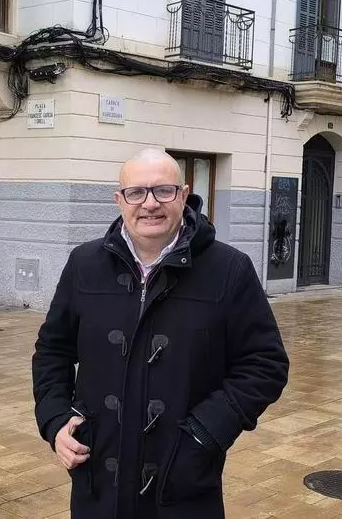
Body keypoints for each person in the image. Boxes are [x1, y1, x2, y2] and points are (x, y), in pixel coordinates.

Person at [31, 148, 289, 519]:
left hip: (183, 480)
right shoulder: (84, 264)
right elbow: (52, 351)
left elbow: (265, 364)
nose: (150, 204)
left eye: (163, 191)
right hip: (98, 475)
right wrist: (55, 418)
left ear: (183, 195)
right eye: (136, 192)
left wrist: (205, 432)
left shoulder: (229, 268)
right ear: (119, 200)